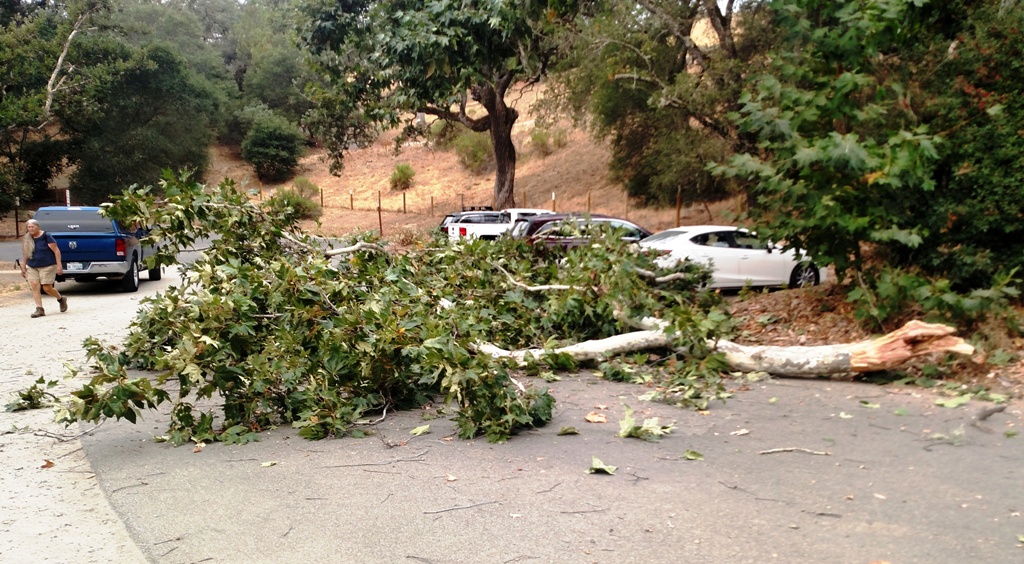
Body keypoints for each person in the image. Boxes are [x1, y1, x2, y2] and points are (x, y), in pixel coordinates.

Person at [20, 218, 68, 318]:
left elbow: (56, 251)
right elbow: (26, 252)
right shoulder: (27, 238)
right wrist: (23, 266)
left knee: (47, 288)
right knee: (34, 285)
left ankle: (60, 299)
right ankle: (39, 309)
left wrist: (59, 265)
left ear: (38, 227)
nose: (30, 229)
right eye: (28, 227)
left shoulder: (46, 236)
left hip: (48, 265)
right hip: (33, 265)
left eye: (32, 227)